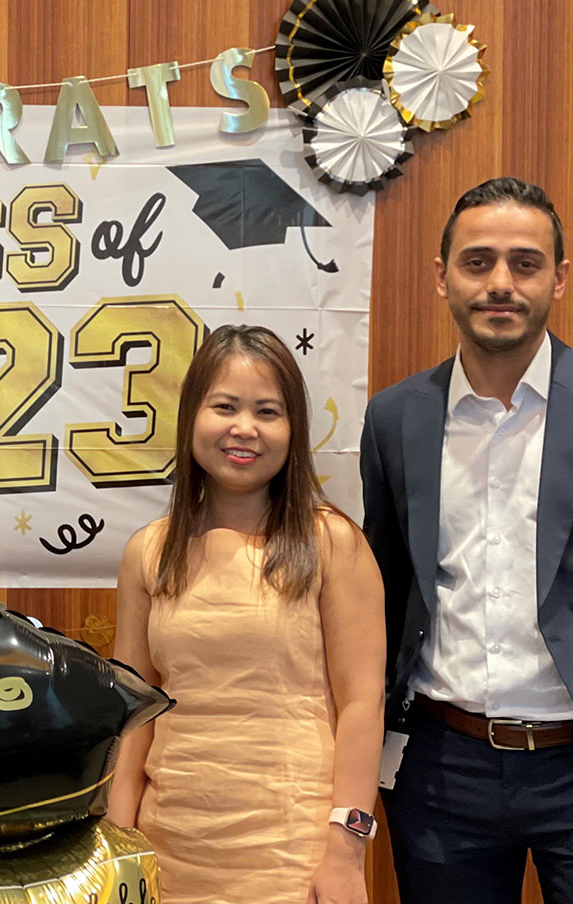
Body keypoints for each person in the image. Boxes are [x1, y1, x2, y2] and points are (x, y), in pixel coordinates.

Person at [360, 177, 573, 903]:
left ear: (559, 278)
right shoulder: (394, 419)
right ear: (442, 278)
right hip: (439, 770)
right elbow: (386, 594)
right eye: (477, 261)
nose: (500, 283)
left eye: (524, 264)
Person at [107, 324, 385, 904]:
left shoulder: (332, 543)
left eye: (267, 411)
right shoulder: (148, 552)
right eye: (225, 407)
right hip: (169, 846)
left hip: (292, 852)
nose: (244, 429)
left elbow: (363, 705)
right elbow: (132, 709)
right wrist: (116, 840)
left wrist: (346, 851)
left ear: (293, 431)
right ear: (191, 421)